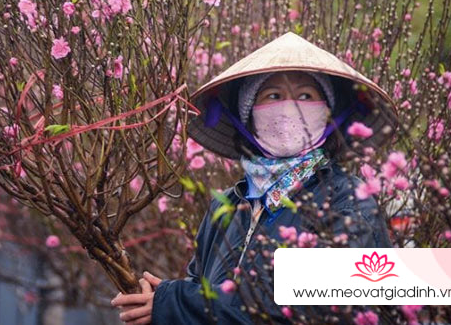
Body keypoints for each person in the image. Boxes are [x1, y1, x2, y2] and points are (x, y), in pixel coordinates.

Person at [112, 32, 397, 324]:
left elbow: (309, 308)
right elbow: (201, 289)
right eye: (272, 96)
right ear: (247, 116)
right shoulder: (226, 208)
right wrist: (163, 308)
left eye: (305, 96)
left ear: (326, 114)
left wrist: (178, 303)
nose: (289, 107)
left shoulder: (347, 200)